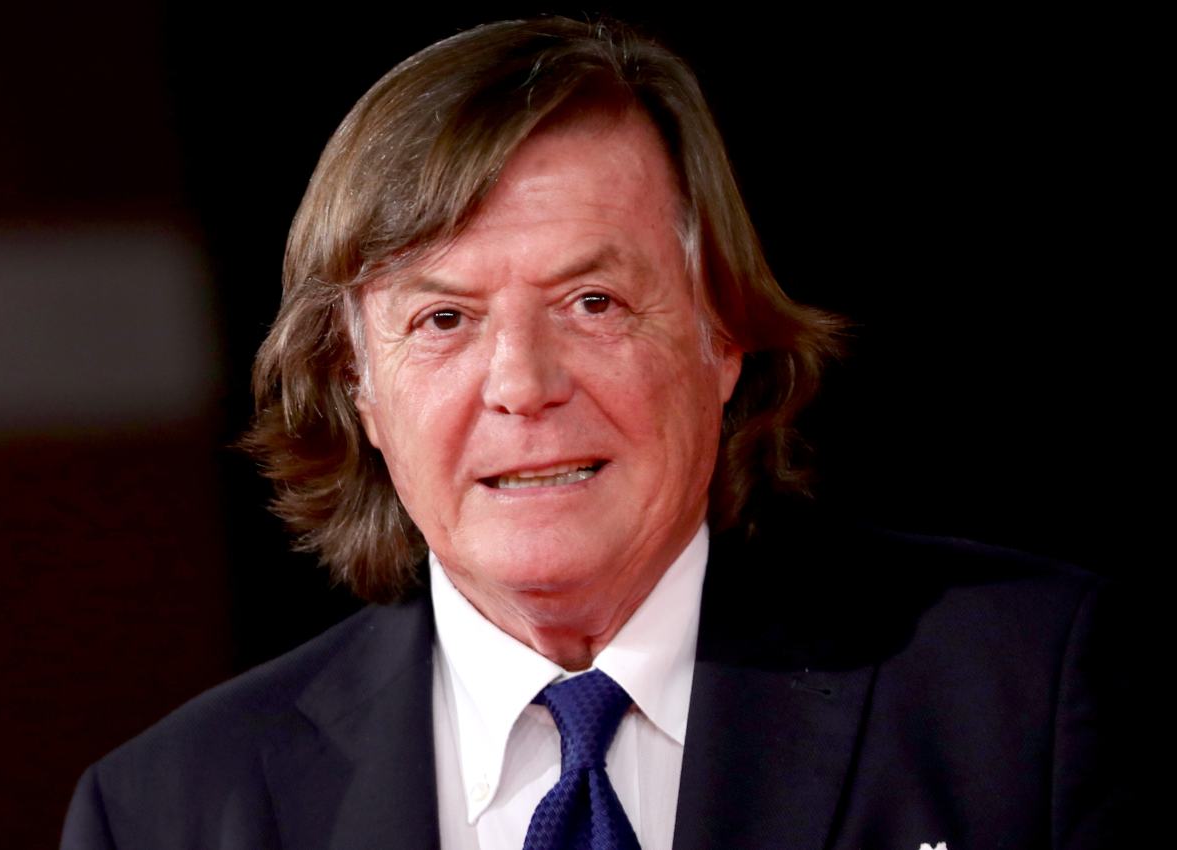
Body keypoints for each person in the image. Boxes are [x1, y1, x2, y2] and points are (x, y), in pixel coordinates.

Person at [61, 16, 1130, 849]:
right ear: (358, 387)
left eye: (592, 303)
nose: (522, 386)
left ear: (722, 334)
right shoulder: (163, 814)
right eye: (444, 320)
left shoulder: (1021, 695)